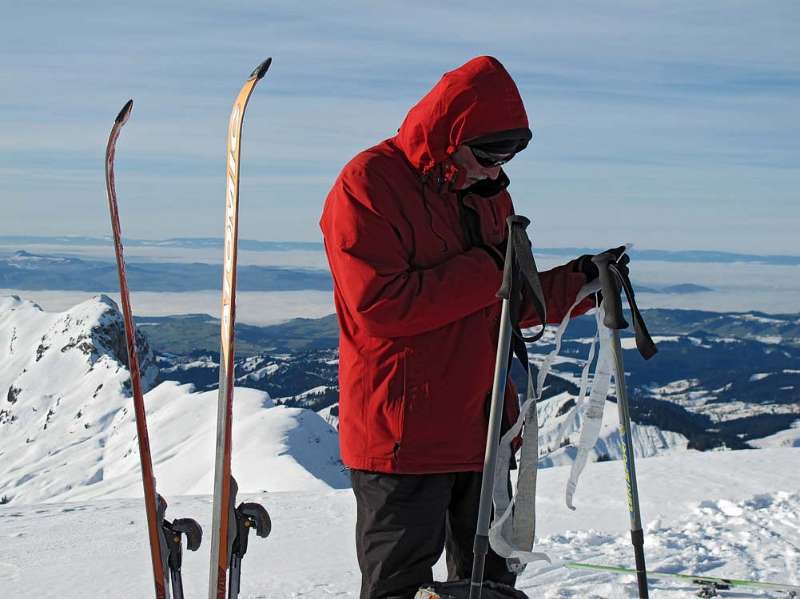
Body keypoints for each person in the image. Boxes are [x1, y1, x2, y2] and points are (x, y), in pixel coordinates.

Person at [320, 56, 606, 599]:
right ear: (450, 135)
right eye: (488, 154)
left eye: (510, 156)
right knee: (400, 589)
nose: (496, 170)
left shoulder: (488, 195)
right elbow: (380, 305)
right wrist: (488, 269)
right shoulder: (368, 184)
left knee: (488, 585)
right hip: (404, 439)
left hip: (485, 430)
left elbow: (504, 302)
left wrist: (580, 281)